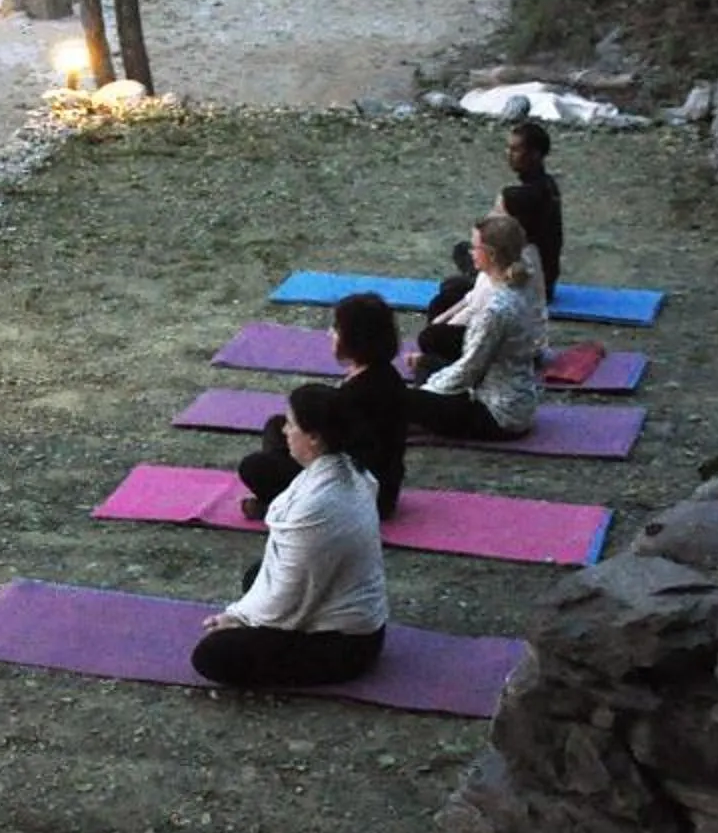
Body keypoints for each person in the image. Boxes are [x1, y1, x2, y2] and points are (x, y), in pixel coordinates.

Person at [192, 381, 388, 689]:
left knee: (211, 655)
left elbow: (285, 597)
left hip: (346, 645)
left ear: (314, 438)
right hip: (354, 618)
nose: (284, 430)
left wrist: (237, 618)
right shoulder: (348, 468)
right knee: (257, 574)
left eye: (291, 424)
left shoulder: (319, 505)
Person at [242, 291, 408, 520]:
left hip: (362, 495)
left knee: (254, 466)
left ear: (355, 338)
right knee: (278, 426)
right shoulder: (382, 373)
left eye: (337, 329)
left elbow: (333, 450)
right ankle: (283, 499)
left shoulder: (362, 391)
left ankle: (282, 504)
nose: (331, 333)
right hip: (375, 482)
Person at [405, 212, 544, 441]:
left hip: (497, 415)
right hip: (516, 401)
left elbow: (469, 370)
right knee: (428, 365)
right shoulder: (522, 284)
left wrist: (423, 394)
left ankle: (417, 420)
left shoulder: (495, 310)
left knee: (402, 399)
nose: (471, 252)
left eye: (475, 247)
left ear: (490, 254)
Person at [507, 120, 564, 299]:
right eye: (509, 148)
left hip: (530, 285)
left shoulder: (518, 196)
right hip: (547, 282)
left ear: (535, 154)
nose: (509, 154)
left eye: (516, 150)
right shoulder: (549, 185)